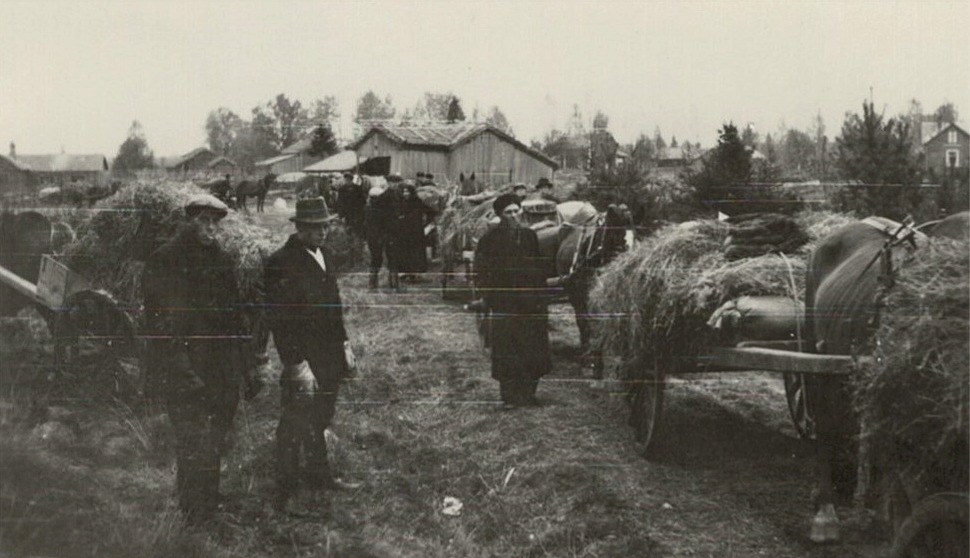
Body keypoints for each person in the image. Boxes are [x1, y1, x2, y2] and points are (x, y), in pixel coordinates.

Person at [141, 194, 262, 526]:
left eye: (215, 222)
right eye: (203, 221)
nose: (210, 228)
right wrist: (182, 370)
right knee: (194, 440)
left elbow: (234, 315)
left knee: (217, 437)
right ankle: (195, 515)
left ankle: (208, 500)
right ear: (189, 220)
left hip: (221, 368)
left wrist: (246, 366)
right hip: (185, 367)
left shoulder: (221, 260)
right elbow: (160, 323)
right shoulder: (166, 259)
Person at [263, 197, 361, 512]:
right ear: (300, 228)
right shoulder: (282, 262)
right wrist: (295, 363)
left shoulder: (325, 255)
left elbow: (334, 307)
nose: (323, 231)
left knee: (321, 414)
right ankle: (285, 491)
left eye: (326, 225)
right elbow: (279, 320)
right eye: (316, 227)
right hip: (303, 357)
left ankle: (319, 474)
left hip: (330, 352)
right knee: (294, 421)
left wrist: (345, 345)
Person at [473, 193, 552, 408]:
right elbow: (481, 271)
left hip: (531, 302)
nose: (514, 215)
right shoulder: (489, 240)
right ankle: (509, 397)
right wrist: (489, 296)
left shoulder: (529, 237)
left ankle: (528, 393)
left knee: (533, 348)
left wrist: (541, 295)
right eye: (508, 212)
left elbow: (538, 267)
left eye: (517, 211)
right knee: (507, 350)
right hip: (505, 302)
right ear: (499, 215)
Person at [365, 175, 403, 291]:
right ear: (388, 183)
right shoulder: (384, 198)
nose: (395, 185)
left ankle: (393, 284)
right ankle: (374, 284)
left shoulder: (397, 196)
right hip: (383, 233)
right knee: (379, 258)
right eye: (392, 183)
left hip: (389, 232)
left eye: (397, 183)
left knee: (392, 258)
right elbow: (381, 218)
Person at [396, 181, 437, 281]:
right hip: (403, 233)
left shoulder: (417, 202)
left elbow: (431, 212)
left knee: (415, 253)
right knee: (404, 252)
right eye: (404, 192)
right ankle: (404, 273)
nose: (406, 194)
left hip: (415, 232)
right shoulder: (400, 202)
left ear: (411, 192)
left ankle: (413, 274)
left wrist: (428, 223)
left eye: (408, 192)